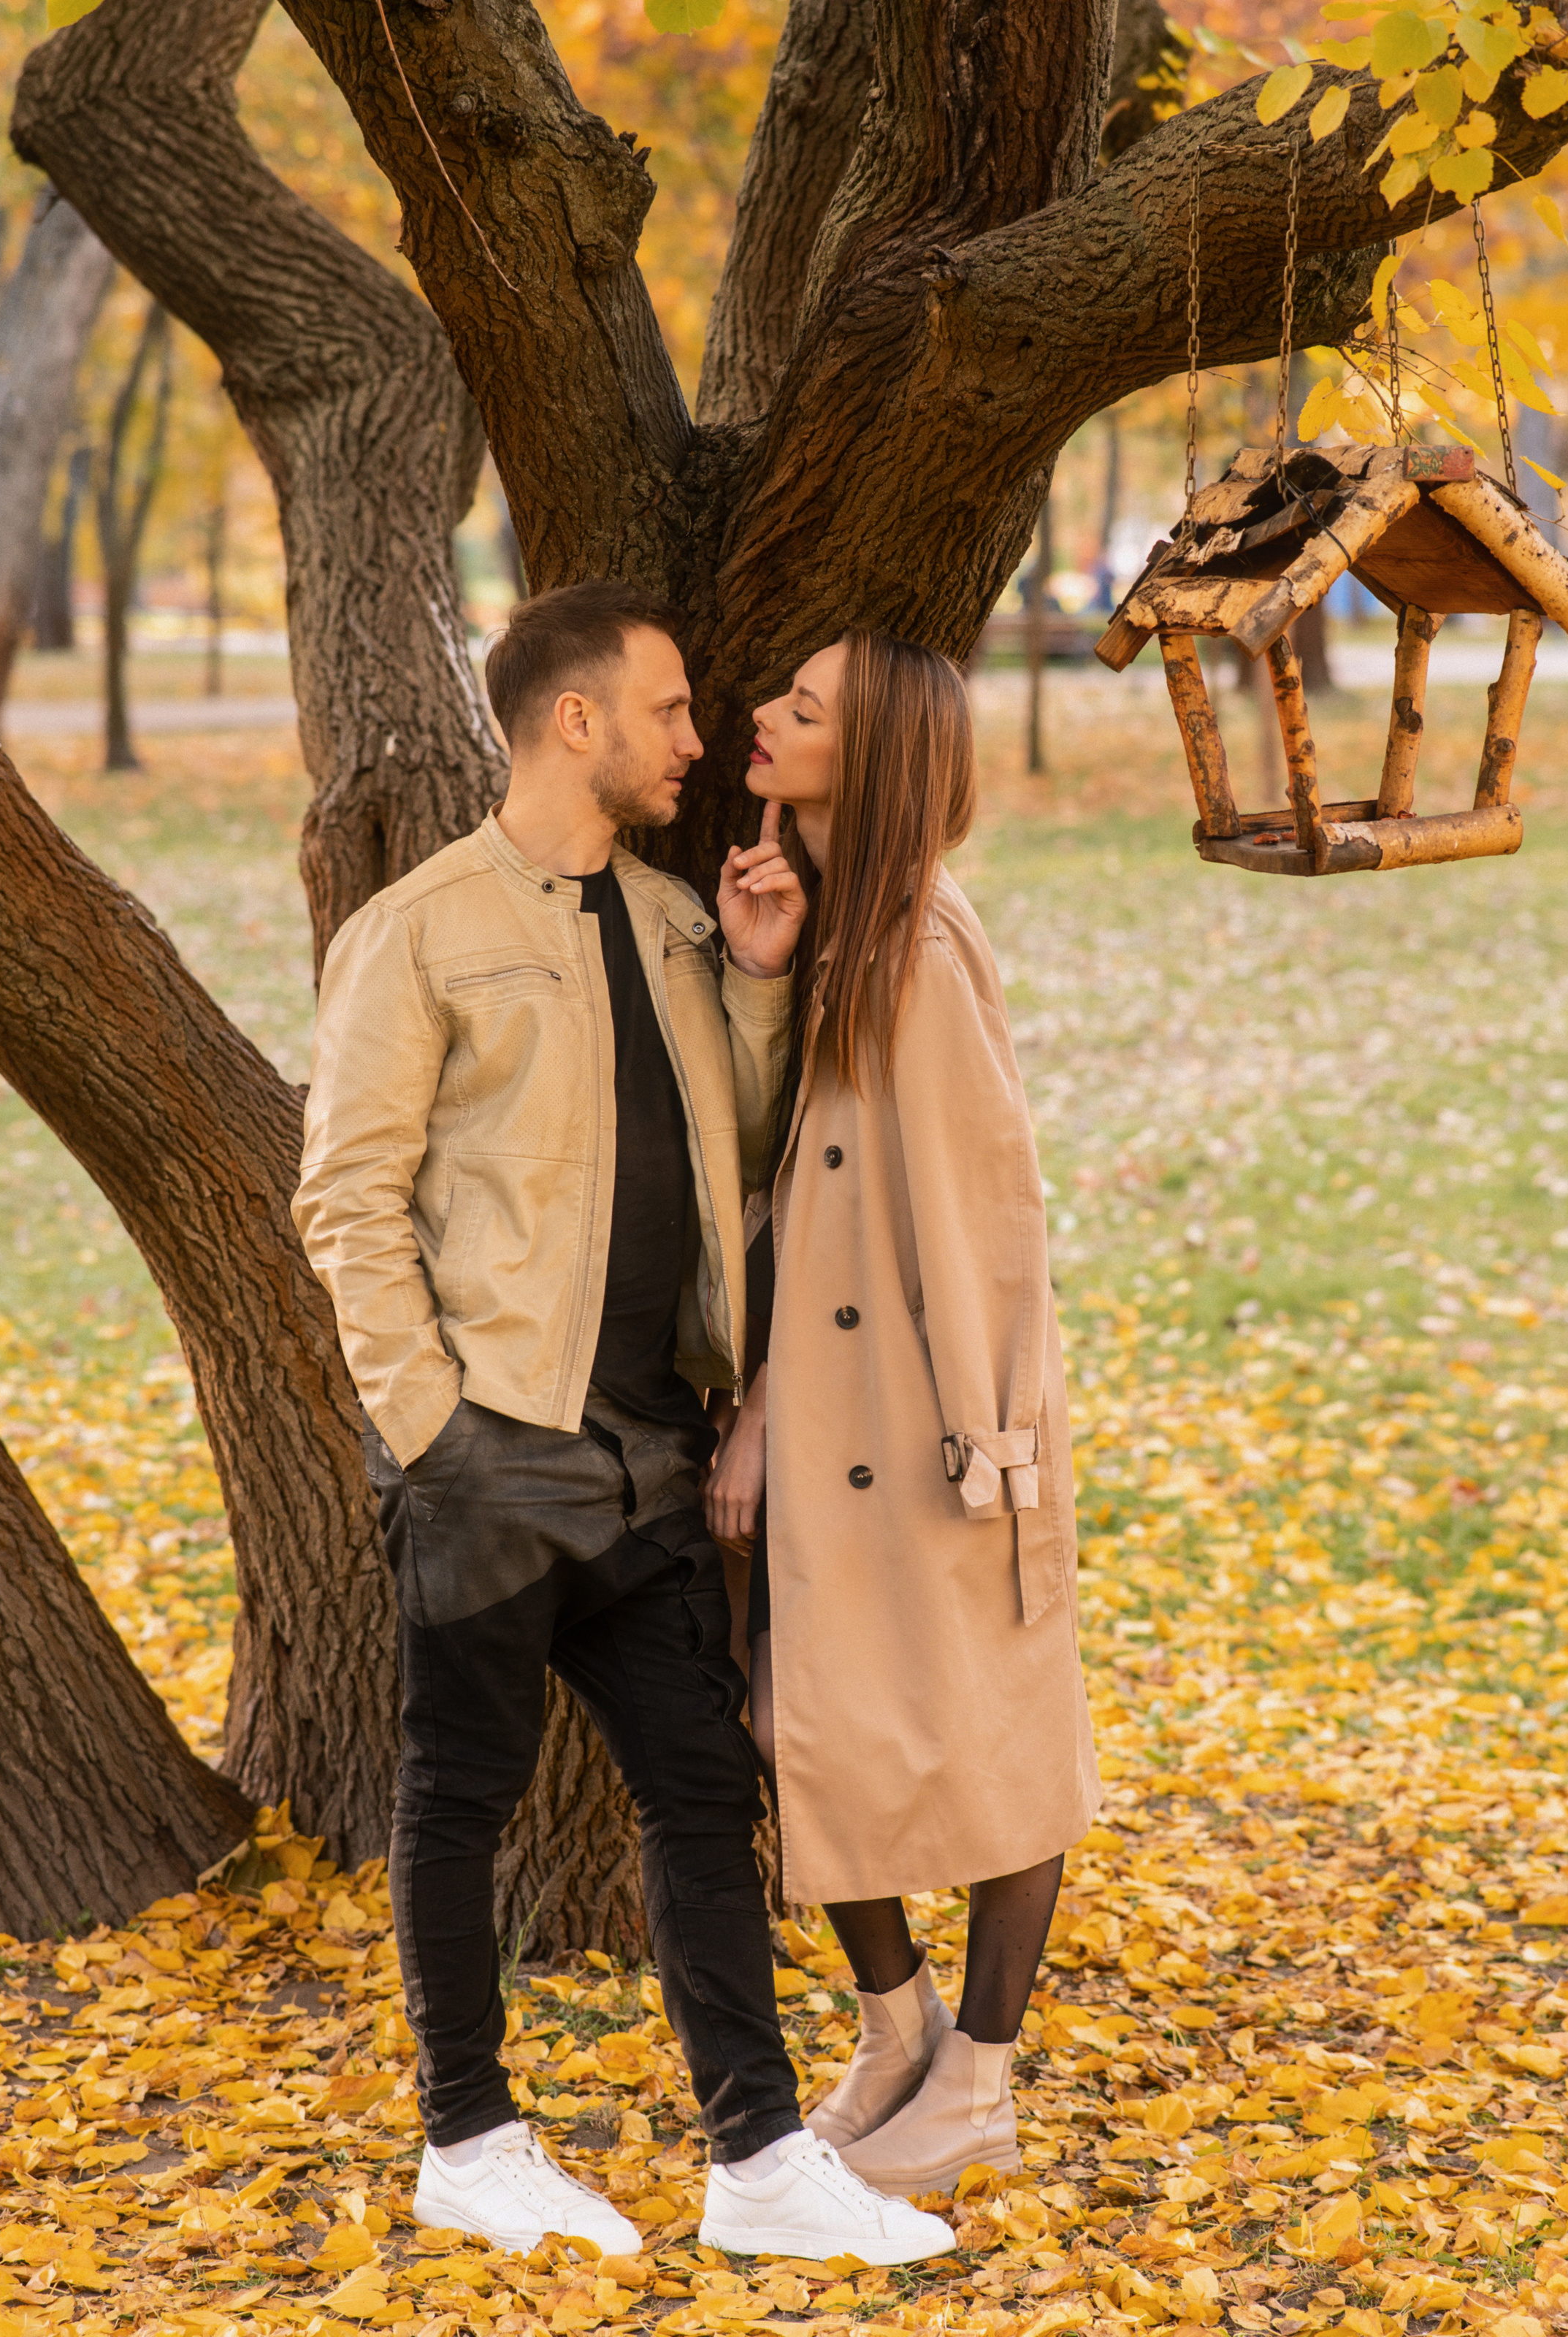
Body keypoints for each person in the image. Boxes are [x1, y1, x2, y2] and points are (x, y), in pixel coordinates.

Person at [293, 582, 953, 2268]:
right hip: (494, 1447)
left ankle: (753, 2154)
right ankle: (467, 2134)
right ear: (571, 722)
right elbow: (347, 1198)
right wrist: (433, 1423)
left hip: (655, 1444)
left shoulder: (672, 920)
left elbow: (736, 1146)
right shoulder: (420, 930)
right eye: (664, 712)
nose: (692, 740)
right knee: (459, 1795)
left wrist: (747, 980)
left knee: (700, 1784)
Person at [707, 629, 1101, 2198]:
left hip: (932, 1424)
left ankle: (978, 2084)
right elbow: (781, 1193)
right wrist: (759, 969)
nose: (759, 717)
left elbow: (982, 1217)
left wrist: (996, 1449)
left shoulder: (920, 949)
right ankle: (897, 2031)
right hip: (828, 1416)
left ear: (860, 761)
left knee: (1002, 1733)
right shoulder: (834, 924)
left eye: (798, 711)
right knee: (787, 1712)